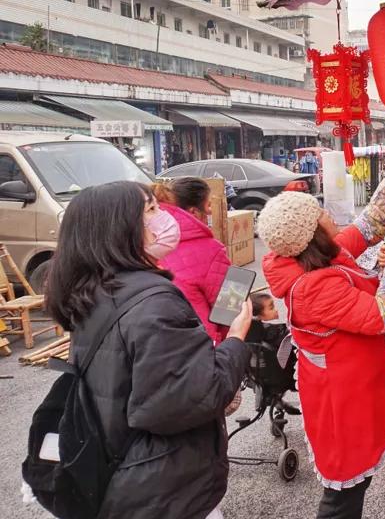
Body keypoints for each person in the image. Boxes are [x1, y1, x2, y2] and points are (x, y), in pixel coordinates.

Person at [43, 181, 251, 519]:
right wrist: (236, 339)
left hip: (115, 463)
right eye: (151, 210)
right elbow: (192, 397)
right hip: (161, 485)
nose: (165, 217)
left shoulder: (92, 290)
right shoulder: (155, 301)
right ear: (120, 228)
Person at [261, 151, 385, 519]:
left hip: (350, 389)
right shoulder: (313, 286)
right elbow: (381, 314)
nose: (330, 215)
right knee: (344, 492)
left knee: (353, 486)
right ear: (313, 233)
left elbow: (366, 227)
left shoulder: (316, 256)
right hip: (342, 401)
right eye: (322, 214)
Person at [153, 177, 230, 343]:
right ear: (194, 212)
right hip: (204, 344)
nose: (210, 212)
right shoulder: (211, 249)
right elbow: (228, 312)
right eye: (208, 205)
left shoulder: (145, 244)